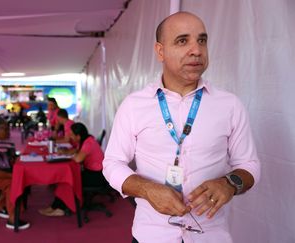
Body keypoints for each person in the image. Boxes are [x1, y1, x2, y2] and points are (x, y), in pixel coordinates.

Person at [102, 12, 260, 243]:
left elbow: (249, 164)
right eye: (182, 40)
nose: (196, 50)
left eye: (202, 40)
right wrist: (147, 189)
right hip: (152, 235)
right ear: (160, 51)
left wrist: (230, 184)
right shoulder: (134, 105)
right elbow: (112, 163)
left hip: (211, 235)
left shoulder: (229, 105)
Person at [39, 122, 105, 216]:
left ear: (78, 136)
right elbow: (77, 151)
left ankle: (59, 208)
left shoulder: (88, 142)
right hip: (92, 172)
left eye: (71, 135)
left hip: (97, 176)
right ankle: (55, 206)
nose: (69, 137)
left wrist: (69, 155)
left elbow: (78, 159)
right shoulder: (85, 139)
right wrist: (66, 152)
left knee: (66, 181)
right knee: (66, 178)